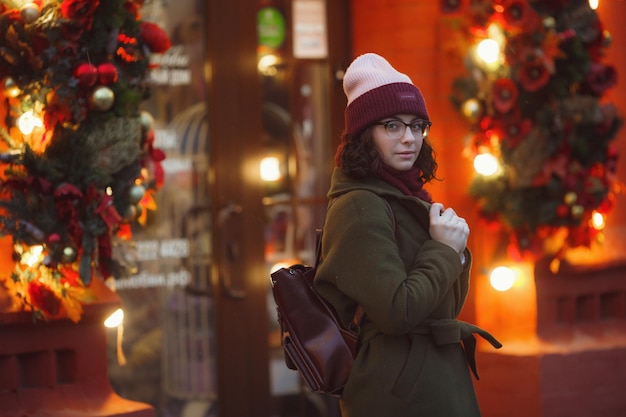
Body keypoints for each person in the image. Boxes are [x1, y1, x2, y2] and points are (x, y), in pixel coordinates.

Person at [314, 53, 502, 417]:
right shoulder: (359, 207)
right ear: (364, 134)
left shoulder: (407, 198)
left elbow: (444, 304)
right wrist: (444, 250)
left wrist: (453, 253)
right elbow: (398, 312)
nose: (409, 138)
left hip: (432, 379)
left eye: (417, 126)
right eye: (392, 126)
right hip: (400, 393)